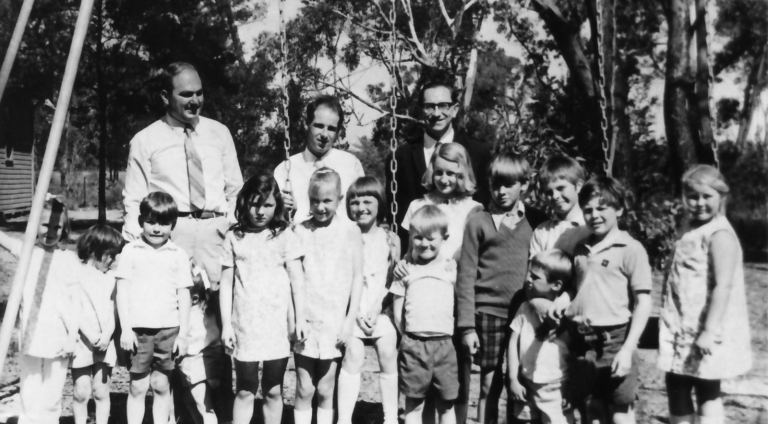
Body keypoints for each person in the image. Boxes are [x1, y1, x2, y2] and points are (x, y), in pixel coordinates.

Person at [122, 61, 243, 287]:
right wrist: (138, 246)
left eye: (199, 93)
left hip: (215, 232)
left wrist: (231, 226)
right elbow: (134, 199)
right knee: (169, 306)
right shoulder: (145, 140)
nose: (195, 101)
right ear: (166, 97)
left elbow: (235, 190)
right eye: (186, 94)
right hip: (170, 234)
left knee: (218, 308)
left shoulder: (219, 133)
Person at [657, 165, 752, 424]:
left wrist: (709, 330)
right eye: (692, 196)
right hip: (682, 324)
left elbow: (724, 285)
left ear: (721, 197)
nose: (699, 203)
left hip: (703, 328)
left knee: (706, 387)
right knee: (675, 381)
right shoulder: (690, 228)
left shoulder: (719, 234)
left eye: (706, 196)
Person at [456, 152, 546, 424]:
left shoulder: (536, 222)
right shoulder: (478, 222)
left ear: (524, 185)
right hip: (488, 314)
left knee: (521, 382)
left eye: (509, 185)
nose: (501, 191)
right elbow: (466, 275)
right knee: (488, 385)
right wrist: (467, 326)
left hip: (524, 315)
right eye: (496, 185)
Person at [562, 177, 653, 424]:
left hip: (615, 340)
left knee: (620, 413)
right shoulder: (581, 249)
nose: (594, 215)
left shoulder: (630, 249)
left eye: (602, 208)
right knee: (592, 414)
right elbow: (578, 289)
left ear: (619, 209)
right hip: (583, 343)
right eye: (588, 210)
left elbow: (643, 302)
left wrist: (627, 349)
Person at [219, 173, 306, 424]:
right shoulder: (234, 236)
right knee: (245, 388)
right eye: (254, 204)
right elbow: (226, 283)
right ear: (244, 202)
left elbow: (296, 281)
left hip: (276, 324)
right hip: (245, 323)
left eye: (267, 205)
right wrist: (226, 325)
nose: (260, 211)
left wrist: (299, 319)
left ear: (277, 205)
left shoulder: (284, 235)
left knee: (273, 388)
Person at [292, 168, 364, 424]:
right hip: (307, 319)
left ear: (339, 199)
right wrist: (297, 318)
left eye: (327, 201)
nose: (320, 207)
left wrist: (349, 321)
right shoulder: (299, 230)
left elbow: (357, 278)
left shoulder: (350, 230)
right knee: (304, 388)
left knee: (325, 389)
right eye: (315, 200)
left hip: (334, 321)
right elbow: (295, 277)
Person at [0, 197, 81, 424]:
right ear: (35, 224)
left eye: (57, 227)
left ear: (64, 230)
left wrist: (73, 335)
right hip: (31, 334)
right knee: (30, 388)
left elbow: (76, 302)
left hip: (58, 336)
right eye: (45, 225)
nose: (51, 231)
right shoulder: (27, 253)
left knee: (52, 394)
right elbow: (3, 238)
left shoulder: (68, 260)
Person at [386, 80, 491, 252]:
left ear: (455, 109)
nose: (436, 113)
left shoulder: (479, 153)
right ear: (421, 110)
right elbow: (395, 218)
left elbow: (485, 209)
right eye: (429, 106)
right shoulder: (399, 158)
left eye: (443, 106)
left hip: (464, 258)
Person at [115, 192, 193, 424]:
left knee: (161, 385)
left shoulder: (178, 255)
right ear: (141, 222)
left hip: (168, 330)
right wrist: (126, 329)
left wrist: (183, 334)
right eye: (151, 222)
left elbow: (184, 295)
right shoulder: (131, 251)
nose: (157, 228)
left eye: (164, 223)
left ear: (173, 225)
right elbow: (122, 291)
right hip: (139, 332)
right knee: (138, 387)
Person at [337, 177, 400, 424]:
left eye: (367, 201)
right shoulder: (344, 236)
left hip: (379, 309)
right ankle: (344, 419)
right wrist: (354, 313)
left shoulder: (390, 239)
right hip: (352, 311)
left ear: (379, 203)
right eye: (354, 202)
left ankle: (391, 417)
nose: (360, 207)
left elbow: (391, 282)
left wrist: (376, 310)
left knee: (387, 350)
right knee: (353, 352)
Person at [390, 205, 459, 424]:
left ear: (444, 237)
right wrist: (407, 336)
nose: (424, 243)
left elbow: (459, 303)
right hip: (414, 344)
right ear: (411, 237)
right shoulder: (406, 270)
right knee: (414, 402)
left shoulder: (450, 269)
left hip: (444, 344)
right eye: (418, 237)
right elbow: (398, 308)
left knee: (446, 403)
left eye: (431, 238)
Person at [507, 250, 575, 424]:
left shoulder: (567, 314)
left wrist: (571, 388)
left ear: (556, 285)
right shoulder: (524, 308)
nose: (528, 279)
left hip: (556, 386)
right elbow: (513, 344)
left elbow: (573, 352)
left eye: (535, 277)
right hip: (526, 383)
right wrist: (513, 379)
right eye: (528, 274)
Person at [274, 95, 365, 223]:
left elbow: (363, 211)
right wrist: (282, 211)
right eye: (319, 126)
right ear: (306, 125)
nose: (324, 135)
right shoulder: (285, 169)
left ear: (338, 131)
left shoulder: (351, 164)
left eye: (332, 129)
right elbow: (274, 218)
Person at [70, 224, 124, 424]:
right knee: (81, 391)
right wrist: (91, 336)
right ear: (94, 250)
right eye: (110, 255)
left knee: (101, 390)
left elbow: (115, 309)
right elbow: (74, 309)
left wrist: (107, 334)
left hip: (104, 342)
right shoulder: (77, 274)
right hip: (83, 341)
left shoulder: (112, 278)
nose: (113, 260)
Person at [399, 142, 483, 262]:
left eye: (450, 174)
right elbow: (410, 251)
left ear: (462, 175)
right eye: (439, 172)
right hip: (421, 276)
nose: (444, 180)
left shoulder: (473, 209)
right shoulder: (417, 205)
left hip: (454, 275)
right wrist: (404, 263)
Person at [177, 259, 223, 424]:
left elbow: (189, 341)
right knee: (191, 400)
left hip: (195, 364)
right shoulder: (207, 313)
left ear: (194, 298)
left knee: (203, 405)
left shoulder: (189, 316)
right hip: (211, 363)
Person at [529, 154, 590, 258]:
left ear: (579, 186)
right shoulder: (542, 231)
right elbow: (534, 270)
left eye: (561, 188)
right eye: (549, 192)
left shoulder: (589, 227)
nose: (555, 196)